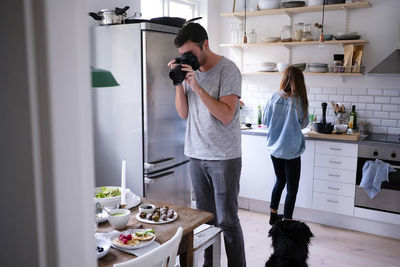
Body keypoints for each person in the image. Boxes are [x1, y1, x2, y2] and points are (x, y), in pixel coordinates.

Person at [168, 22, 246, 267]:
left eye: (191, 52)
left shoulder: (228, 70)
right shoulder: (189, 71)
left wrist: (196, 85)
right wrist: (180, 83)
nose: (188, 58)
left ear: (206, 44)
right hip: (195, 154)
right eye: (183, 54)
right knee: (206, 221)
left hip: (224, 157)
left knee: (228, 221)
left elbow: (225, 115)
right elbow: (183, 113)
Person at [262, 66, 309, 225]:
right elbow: (303, 124)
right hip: (292, 150)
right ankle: (287, 221)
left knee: (280, 181)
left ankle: (273, 216)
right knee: (292, 188)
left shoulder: (274, 97)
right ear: (300, 82)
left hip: (275, 149)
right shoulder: (299, 100)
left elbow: (265, 121)